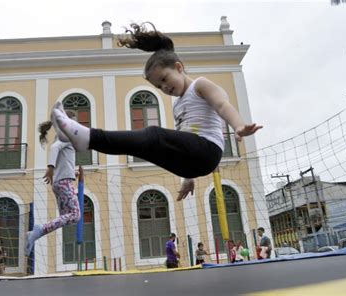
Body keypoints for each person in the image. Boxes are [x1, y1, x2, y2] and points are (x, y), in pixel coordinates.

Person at [49, 22, 262, 202]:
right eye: (159, 87)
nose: (164, 88)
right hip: (193, 160)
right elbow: (181, 142)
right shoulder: (177, 104)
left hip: (208, 150)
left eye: (164, 79)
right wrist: (188, 177)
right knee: (145, 148)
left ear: (179, 67)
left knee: (153, 135)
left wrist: (238, 126)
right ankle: (86, 141)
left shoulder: (200, 85)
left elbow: (222, 105)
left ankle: (87, 137)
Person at [25, 111, 81, 256]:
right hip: (64, 183)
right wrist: (50, 167)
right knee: (75, 215)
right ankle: (39, 230)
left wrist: (71, 172)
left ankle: (36, 233)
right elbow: (54, 149)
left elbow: (63, 159)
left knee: (66, 217)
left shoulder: (61, 137)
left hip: (59, 182)